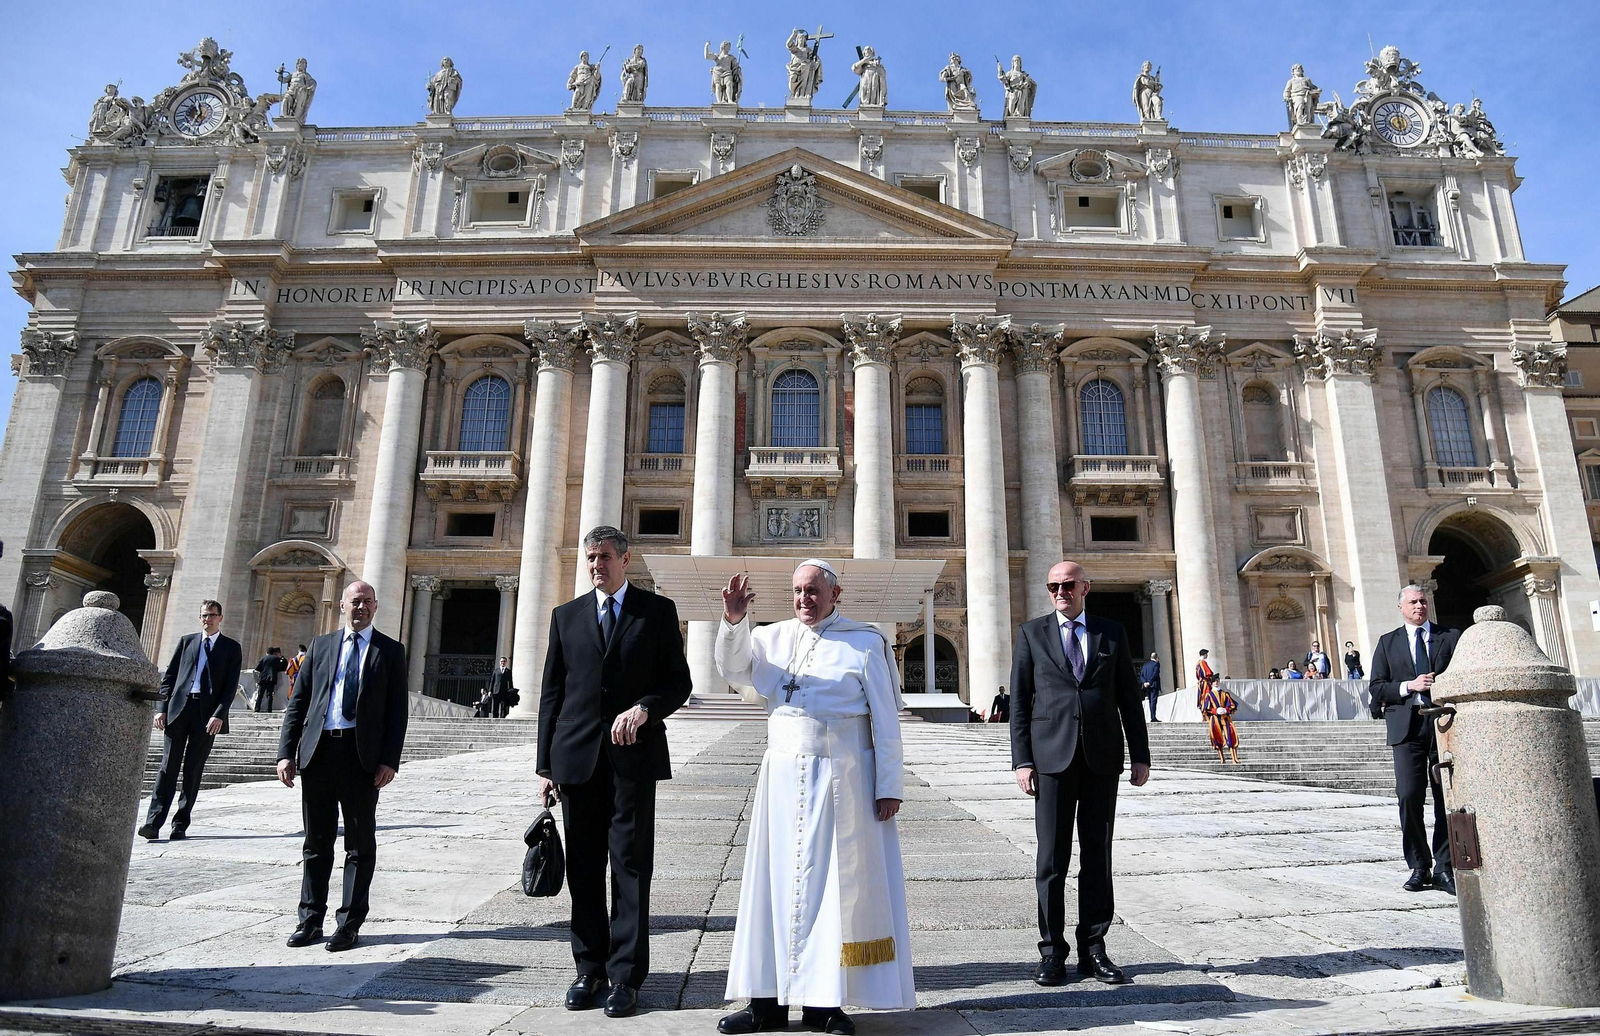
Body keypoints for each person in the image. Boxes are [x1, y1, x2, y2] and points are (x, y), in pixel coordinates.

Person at [715, 560, 914, 1034]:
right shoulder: (770, 636)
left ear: (834, 593)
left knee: (834, 890)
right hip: (781, 780)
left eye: (813, 591)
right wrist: (734, 621)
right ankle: (765, 1003)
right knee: (771, 885)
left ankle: (825, 1004)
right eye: (797, 591)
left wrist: (889, 786)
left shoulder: (865, 642)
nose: (804, 599)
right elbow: (734, 669)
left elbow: (886, 721)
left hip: (843, 779)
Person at [538, 526, 692, 1018]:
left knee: (630, 865)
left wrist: (646, 708)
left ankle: (625, 976)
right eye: (590, 557)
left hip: (633, 760)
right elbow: (552, 694)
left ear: (625, 560)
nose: (596, 565)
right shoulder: (566, 616)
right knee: (583, 868)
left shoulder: (657, 612)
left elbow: (678, 682)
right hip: (575, 760)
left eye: (604, 556)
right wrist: (545, 765)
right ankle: (588, 969)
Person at [1011, 561, 1150, 988]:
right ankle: (1052, 952)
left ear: (1085, 587)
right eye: (1053, 586)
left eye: (1068, 585)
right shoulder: (1031, 633)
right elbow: (1020, 701)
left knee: (1097, 857)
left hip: (1101, 758)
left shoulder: (1112, 632)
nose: (1060, 592)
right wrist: (1022, 760)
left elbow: (1128, 697)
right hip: (1050, 760)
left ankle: (1094, 949)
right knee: (1051, 860)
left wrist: (1141, 755)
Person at [277, 580, 410, 952]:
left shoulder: (390, 650)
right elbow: (299, 702)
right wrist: (286, 753)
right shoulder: (321, 646)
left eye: (367, 601)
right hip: (319, 751)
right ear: (342, 605)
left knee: (359, 844)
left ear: (376, 606)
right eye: (355, 601)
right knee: (315, 843)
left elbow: (397, 712)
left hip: (360, 756)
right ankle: (309, 920)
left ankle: (349, 924)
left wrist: (389, 760)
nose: (361, 607)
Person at [1368, 585, 1460, 896]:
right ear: (1401, 607)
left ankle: (1444, 867)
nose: (1419, 606)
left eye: (1422, 601)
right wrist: (1410, 685)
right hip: (1407, 729)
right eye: (1413, 602)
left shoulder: (1450, 637)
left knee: (1445, 797)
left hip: (1444, 725)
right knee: (1408, 796)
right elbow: (1377, 687)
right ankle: (1419, 865)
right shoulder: (1388, 642)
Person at [139, 600, 241, 842]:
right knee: (167, 768)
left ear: (221, 618)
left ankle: (180, 824)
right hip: (178, 711)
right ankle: (153, 822)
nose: (208, 619)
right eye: (204, 615)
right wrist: (161, 709)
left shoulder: (231, 647)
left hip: (207, 716)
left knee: (193, 770)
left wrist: (219, 714)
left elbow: (230, 686)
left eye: (212, 615)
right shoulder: (187, 642)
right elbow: (170, 677)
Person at [1199, 679, 1240, 764]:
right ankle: (1222, 758)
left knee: (1231, 735)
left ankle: (1234, 758)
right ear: (1212, 683)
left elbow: (1232, 705)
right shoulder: (1209, 695)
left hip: (1225, 717)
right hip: (1215, 718)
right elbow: (1206, 709)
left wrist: (1226, 710)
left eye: (1217, 681)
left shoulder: (1225, 694)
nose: (1216, 683)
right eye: (1214, 681)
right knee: (1217, 737)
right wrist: (1215, 711)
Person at [254, 646, 287, 712]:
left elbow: (258, 668)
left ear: (267, 652)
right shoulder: (276, 659)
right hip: (271, 678)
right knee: (270, 694)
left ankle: (257, 708)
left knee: (260, 694)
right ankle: (269, 709)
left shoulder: (263, 658)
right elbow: (279, 668)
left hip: (262, 678)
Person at [1139, 652, 1161, 723]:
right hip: (1153, 685)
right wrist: (1149, 682)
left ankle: (1152, 716)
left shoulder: (1145, 665)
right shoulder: (1156, 664)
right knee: (1153, 701)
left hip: (1147, 687)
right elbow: (1155, 674)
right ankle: (1153, 717)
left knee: (1150, 701)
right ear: (1156, 658)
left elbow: (1141, 675)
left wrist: (1144, 682)